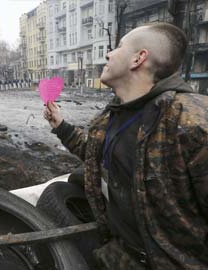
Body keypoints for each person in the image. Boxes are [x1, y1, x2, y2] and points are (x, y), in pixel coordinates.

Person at [44, 22, 208, 269]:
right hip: (120, 256)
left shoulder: (192, 121)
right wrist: (60, 125)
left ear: (138, 58)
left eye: (119, 46)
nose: (109, 53)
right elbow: (94, 154)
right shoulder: (111, 116)